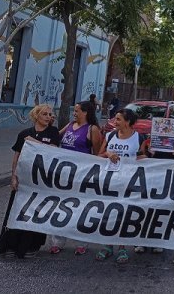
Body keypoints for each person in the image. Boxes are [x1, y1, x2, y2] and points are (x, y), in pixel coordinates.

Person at [0, 104, 60, 258]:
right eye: (44, 114)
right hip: (24, 179)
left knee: (37, 211)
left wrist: (33, 142)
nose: (48, 117)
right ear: (36, 116)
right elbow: (17, 156)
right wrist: (13, 176)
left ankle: (32, 245)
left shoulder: (52, 132)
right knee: (18, 210)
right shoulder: (24, 133)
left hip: (41, 180)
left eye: (50, 114)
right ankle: (11, 244)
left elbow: (52, 151)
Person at [96, 108, 147, 263]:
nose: (114, 122)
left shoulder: (139, 137)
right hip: (110, 180)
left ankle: (122, 247)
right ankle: (107, 245)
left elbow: (144, 157)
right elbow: (99, 155)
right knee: (109, 213)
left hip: (129, 182)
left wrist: (134, 160)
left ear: (128, 122)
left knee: (124, 214)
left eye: (118, 119)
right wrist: (108, 154)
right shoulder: (110, 135)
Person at [52, 101, 102, 256]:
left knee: (81, 208)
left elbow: (98, 153)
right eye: (74, 110)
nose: (74, 113)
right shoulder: (69, 125)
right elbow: (54, 138)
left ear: (86, 112)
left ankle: (81, 242)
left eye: (77, 110)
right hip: (64, 174)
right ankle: (57, 241)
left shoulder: (92, 129)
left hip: (82, 175)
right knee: (61, 207)